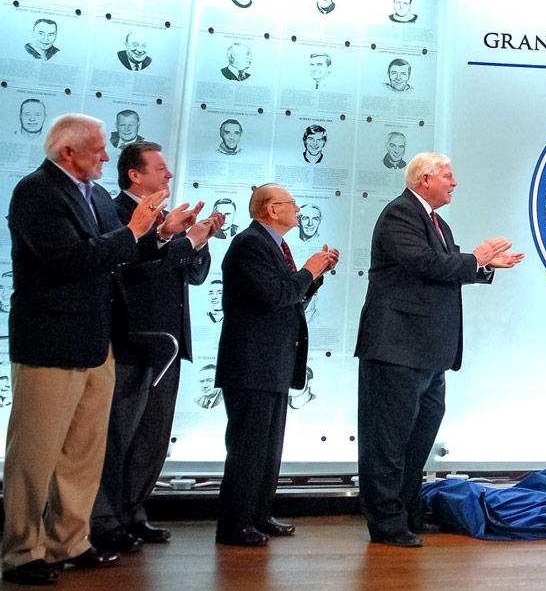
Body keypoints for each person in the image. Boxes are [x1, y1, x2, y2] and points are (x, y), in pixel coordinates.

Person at [1, 114, 191, 586]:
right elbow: (70, 258)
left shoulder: (98, 197)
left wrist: (161, 235)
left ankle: (70, 539)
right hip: (51, 341)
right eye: (99, 149)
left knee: (84, 452)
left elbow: (121, 255)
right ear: (68, 152)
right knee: (35, 453)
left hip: (98, 341)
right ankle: (22, 550)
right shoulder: (36, 191)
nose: (108, 156)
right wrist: (133, 232)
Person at [355, 152, 522, 548]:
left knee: (417, 440)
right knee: (388, 442)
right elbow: (424, 263)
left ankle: (409, 512)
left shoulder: (437, 222)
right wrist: (473, 259)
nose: (454, 182)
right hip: (396, 348)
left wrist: (484, 266)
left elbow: (446, 265)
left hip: (428, 352)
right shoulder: (400, 214)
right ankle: (386, 524)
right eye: (448, 175)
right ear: (425, 178)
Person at [91, 142, 222, 555]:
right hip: (131, 339)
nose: (168, 175)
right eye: (160, 168)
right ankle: (103, 518)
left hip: (169, 343)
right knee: (117, 434)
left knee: (153, 435)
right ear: (135, 175)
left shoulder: (167, 219)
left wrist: (199, 241)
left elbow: (196, 275)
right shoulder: (113, 213)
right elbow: (131, 273)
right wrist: (179, 241)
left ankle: (133, 512)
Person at [214, 183, 338, 547]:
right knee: (248, 447)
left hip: (271, 363)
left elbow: (288, 295)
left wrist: (313, 275)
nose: (297, 210)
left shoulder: (273, 246)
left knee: (268, 447)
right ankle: (235, 524)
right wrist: (309, 271)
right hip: (251, 363)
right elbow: (272, 296)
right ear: (271, 210)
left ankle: (258, 514)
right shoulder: (251, 244)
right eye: (291, 204)